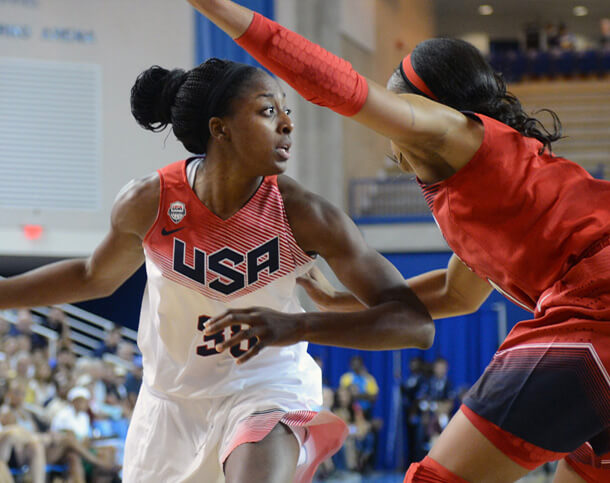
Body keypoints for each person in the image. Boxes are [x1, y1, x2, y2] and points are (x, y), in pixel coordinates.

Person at [188, 1, 610, 482]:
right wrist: (341, 300)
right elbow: (456, 294)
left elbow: (336, 86)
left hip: (596, 307)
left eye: (399, 106)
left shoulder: (456, 132)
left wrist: (217, 8)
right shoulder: (498, 186)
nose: (391, 123)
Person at [0, 54, 432, 481]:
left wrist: (298, 326)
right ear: (220, 129)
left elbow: (414, 324)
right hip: (169, 404)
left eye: (287, 111)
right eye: (268, 111)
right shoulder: (150, 201)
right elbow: (92, 276)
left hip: (265, 389)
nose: (287, 124)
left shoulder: (305, 214)